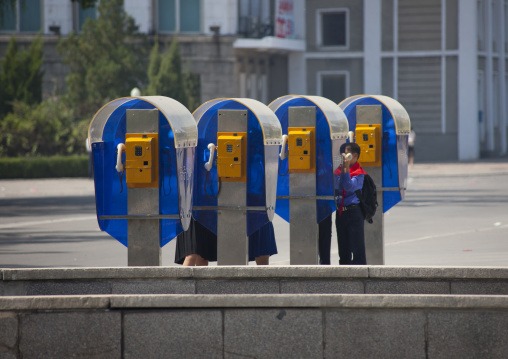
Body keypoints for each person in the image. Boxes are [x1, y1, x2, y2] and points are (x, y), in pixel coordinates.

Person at [334, 142, 367, 265]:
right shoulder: (339, 170)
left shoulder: (359, 173)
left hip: (354, 212)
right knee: (343, 249)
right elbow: (336, 186)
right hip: (341, 211)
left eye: (347, 154)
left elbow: (348, 186)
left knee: (357, 249)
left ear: (354, 156)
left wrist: (346, 168)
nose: (344, 157)